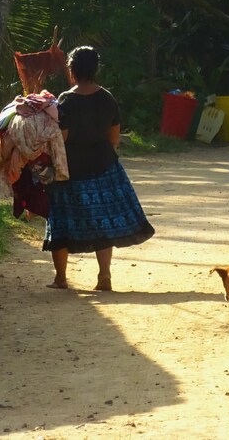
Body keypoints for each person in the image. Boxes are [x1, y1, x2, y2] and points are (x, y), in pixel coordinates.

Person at [45, 46, 154, 290]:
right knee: (103, 221)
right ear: (95, 69)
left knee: (62, 221)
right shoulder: (107, 98)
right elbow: (114, 138)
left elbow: (62, 137)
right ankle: (104, 276)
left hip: (70, 170)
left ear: (72, 70)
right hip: (104, 166)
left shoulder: (66, 100)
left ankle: (61, 278)